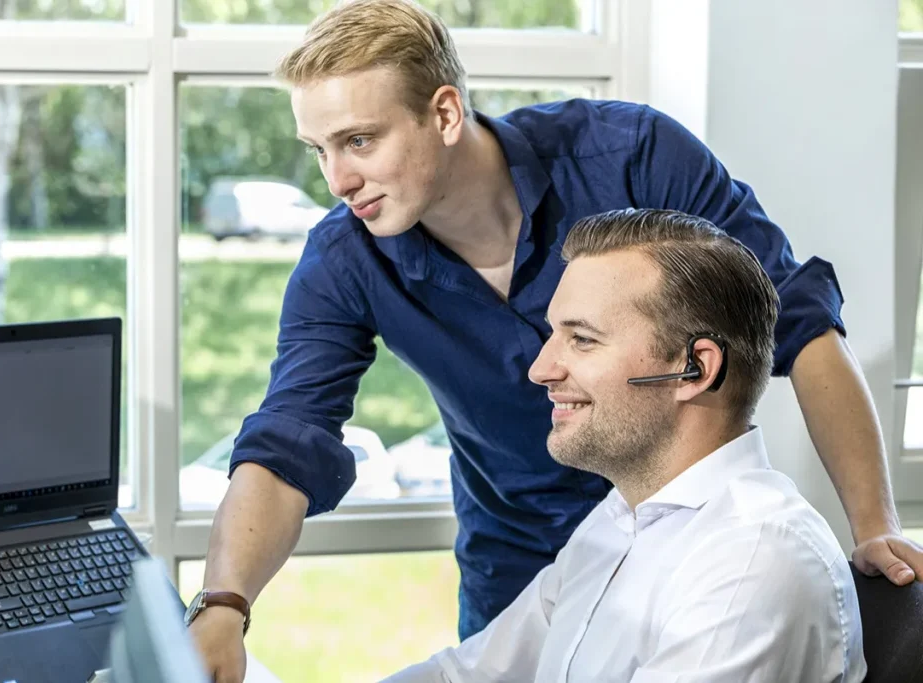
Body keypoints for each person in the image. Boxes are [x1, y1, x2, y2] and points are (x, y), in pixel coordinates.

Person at [186, 1, 921, 680]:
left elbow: (795, 318)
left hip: (689, 529)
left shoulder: (629, 157)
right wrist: (223, 604)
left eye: (359, 141)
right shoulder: (348, 257)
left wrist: (873, 527)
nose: (336, 179)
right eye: (318, 150)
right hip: (540, 554)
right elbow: (289, 438)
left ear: (444, 112)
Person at [379, 207, 868, 683]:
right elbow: (467, 675)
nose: (540, 369)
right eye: (555, 334)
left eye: (583, 340)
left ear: (695, 368)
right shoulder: (616, 522)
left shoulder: (753, 559)